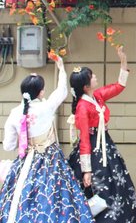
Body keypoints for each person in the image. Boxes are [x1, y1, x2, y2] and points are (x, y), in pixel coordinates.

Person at [0, 57, 94, 223]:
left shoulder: (15, 113)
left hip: (25, 161)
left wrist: (24, 142)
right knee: (58, 195)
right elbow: (61, 91)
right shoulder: (46, 107)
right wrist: (61, 68)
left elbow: (8, 145)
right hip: (51, 161)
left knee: (17, 197)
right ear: (41, 92)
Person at [68, 46, 136, 222]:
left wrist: (123, 60)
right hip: (92, 148)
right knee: (100, 186)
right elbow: (84, 138)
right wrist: (87, 170)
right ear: (86, 86)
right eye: (92, 76)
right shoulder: (82, 107)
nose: (95, 77)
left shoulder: (98, 96)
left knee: (116, 180)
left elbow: (119, 86)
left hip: (105, 144)